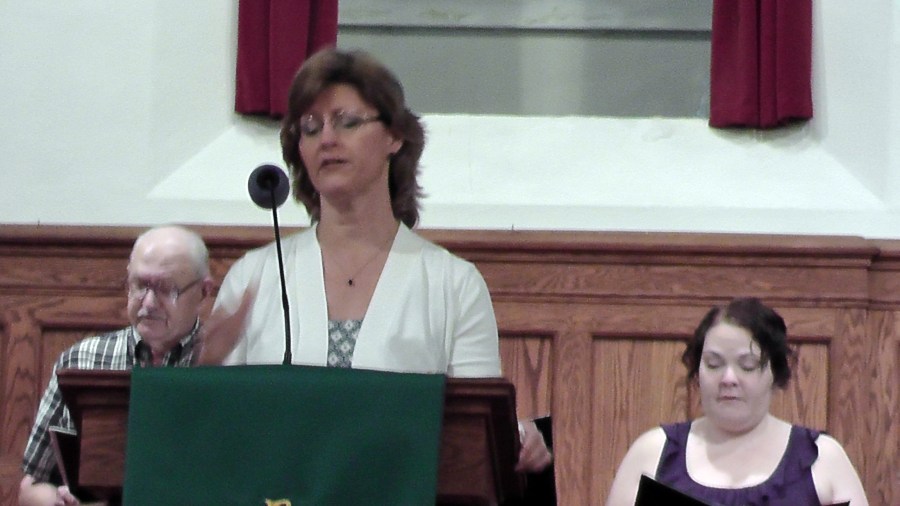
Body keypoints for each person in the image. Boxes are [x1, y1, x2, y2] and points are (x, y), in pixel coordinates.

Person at [198, 48, 552, 475]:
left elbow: (479, 434)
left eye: (347, 122)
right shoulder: (253, 277)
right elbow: (213, 432)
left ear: (394, 136)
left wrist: (516, 436)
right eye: (310, 127)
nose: (327, 139)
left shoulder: (453, 284)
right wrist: (203, 369)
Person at [605, 297, 869, 506]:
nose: (728, 378)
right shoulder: (651, 453)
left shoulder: (823, 458)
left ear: (775, 372)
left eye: (747, 365)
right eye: (714, 364)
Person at [18, 225, 213, 506]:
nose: (149, 303)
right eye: (140, 285)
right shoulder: (82, 360)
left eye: (166, 289)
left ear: (204, 292)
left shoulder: (229, 364)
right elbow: (31, 485)